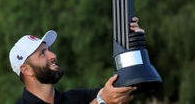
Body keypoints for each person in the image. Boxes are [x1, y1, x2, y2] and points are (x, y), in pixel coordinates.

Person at [9, 17, 144, 104]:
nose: (53, 55)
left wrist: (132, 46)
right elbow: (104, 100)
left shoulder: (74, 98)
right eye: (42, 54)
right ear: (26, 70)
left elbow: (124, 94)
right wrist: (101, 102)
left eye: (49, 49)